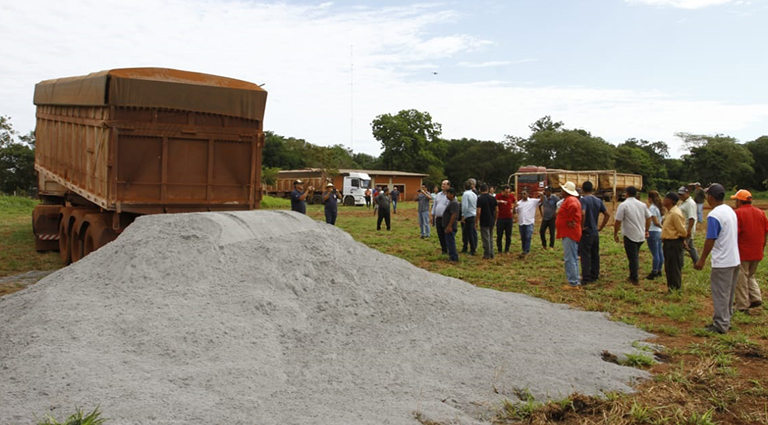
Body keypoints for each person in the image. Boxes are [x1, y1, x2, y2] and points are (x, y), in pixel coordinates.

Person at [694, 183, 740, 334]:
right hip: (734, 259)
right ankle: (726, 320)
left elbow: (710, 239)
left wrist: (702, 259)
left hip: (723, 262)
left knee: (720, 293)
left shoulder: (714, 215)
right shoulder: (730, 210)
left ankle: (720, 325)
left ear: (711, 197)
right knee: (728, 293)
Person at [731, 189, 768, 312]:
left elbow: (735, 233)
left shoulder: (737, 214)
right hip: (757, 250)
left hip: (743, 251)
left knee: (740, 278)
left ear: (739, 201)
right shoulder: (760, 213)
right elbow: (765, 232)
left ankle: (742, 305)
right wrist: (762, 247)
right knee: (750, 275)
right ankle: (755, 297)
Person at [613, 186, 651, 285]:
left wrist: (615, 233)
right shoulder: (642, 205)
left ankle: (634, 277)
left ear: (627, 193)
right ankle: (633, 275)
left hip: (630, 235)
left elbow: (618, 221)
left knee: (633, 257)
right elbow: (649, 217)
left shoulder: (624, 205)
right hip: (640, 234)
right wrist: (646, 229)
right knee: (635, 255)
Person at [579, 181, 610, 284]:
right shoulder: (598, 200)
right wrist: (601, 227)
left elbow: (583, 213)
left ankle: (586, 278)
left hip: (586, 232)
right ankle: (595, 275)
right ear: (592, 189)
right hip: (595, 232)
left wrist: (581, 226)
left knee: (585, 255)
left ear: (583, 189)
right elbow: (607, 214)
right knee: (595, 254)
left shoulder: (583, 200)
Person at [556, 181, 582, 288]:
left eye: (563, 190)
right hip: (569, 232)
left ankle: (573, 282)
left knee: (569, 258)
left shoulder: (570, 200)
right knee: (573, 257)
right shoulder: (571, 199)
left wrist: (570, 219)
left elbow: (573, 208)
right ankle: (575, 279)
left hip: (569, 232)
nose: (561, 191)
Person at [661, 192, 687, 292]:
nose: (663, 200)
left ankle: (675, 288)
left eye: (666, 198)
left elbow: (682, 231)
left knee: (674, 266)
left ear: (671, 201)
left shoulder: (675, 213)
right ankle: (671, 287)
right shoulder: (669, 212)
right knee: (669, 266)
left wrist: (681, 240)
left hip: (674, 243)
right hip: (668, 242)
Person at [645, 190, 665, 280]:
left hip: (653, 231)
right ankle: (659, 270)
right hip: (659, 232)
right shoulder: (659, 207)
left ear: (650, 198)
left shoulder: (652, 208)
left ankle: (654, 271)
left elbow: (656, 222)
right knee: (660, 252)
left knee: (655, 254)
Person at [678, 186, 700, 265]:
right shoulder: (684, 202)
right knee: (690, 246)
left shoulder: (690, 203)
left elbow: (692, 218)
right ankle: (697, 261)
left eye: (682, 194)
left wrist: (689, 230)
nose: (681, 196)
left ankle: (680, 264)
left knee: (681, 248)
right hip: (685, 228)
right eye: (679, 194)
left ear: (688, 193)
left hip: (687, 228)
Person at [515, 189, 540, 258]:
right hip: (521, 222)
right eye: (522, 193)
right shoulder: (519, 203)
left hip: (529, 222)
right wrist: (514, 206)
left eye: (525, 193)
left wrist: (542, 195)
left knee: (528, 236)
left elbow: (541, 201)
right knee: (523, 237)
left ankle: (526, 250)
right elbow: (515, 212)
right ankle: (524, 249)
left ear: (528, 194)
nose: (523, 195)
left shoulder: (533, 201)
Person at [476, 183, 498, 259]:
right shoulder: (492, 198)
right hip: (491, 219)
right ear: (487, 189)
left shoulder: (480, 198)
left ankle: (487, 254)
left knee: (485, 238)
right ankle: (491, 253)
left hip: (484, 220)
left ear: (480, 190)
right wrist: (495, 219)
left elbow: (478, 211)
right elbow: (496, 210)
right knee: (491, 237)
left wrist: (476, 221)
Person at [495, 185, 516, 254]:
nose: (507, 194)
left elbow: (515, 202)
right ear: (503, 191)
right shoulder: (498, 196)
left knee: (508, 235)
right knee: (499, 235)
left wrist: (513, 209)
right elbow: (494, 202)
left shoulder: (511, 196)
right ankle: (499, 250)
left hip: (509, 218)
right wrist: (500, 201)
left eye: (508, 192)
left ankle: (507, 250)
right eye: (506, 192)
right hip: (500, 218)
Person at [432, 180, 451, 255]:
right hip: (438, 218)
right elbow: (434, 205)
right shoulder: (438, 195)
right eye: (442, 184)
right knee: (440, 234)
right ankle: (444, 249)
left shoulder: (451, 195)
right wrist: (432, 215)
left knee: (446, 234)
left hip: (446, 218)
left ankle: (448, 248)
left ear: (448, 186)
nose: (442, 186)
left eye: (444, 184)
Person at [461, 180, 478, 255]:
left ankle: (472, 249)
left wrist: (463, 215)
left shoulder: (465, 194)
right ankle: (470, 247)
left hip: (468, 215)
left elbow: (465, 206)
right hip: (474, 213)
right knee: (471, 232)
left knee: (468, 233)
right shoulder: (473, 194)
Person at [443, 187, 460, 262]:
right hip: (448, 226)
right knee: (449, 242)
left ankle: (454, 257)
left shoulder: (454, 203)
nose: (446, 195)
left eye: (448, 194)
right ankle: (451, 256)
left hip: (451, 227)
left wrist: (449, 226)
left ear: (452, 194)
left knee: (451, 242)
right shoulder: (451, 202)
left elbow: (454, 215)